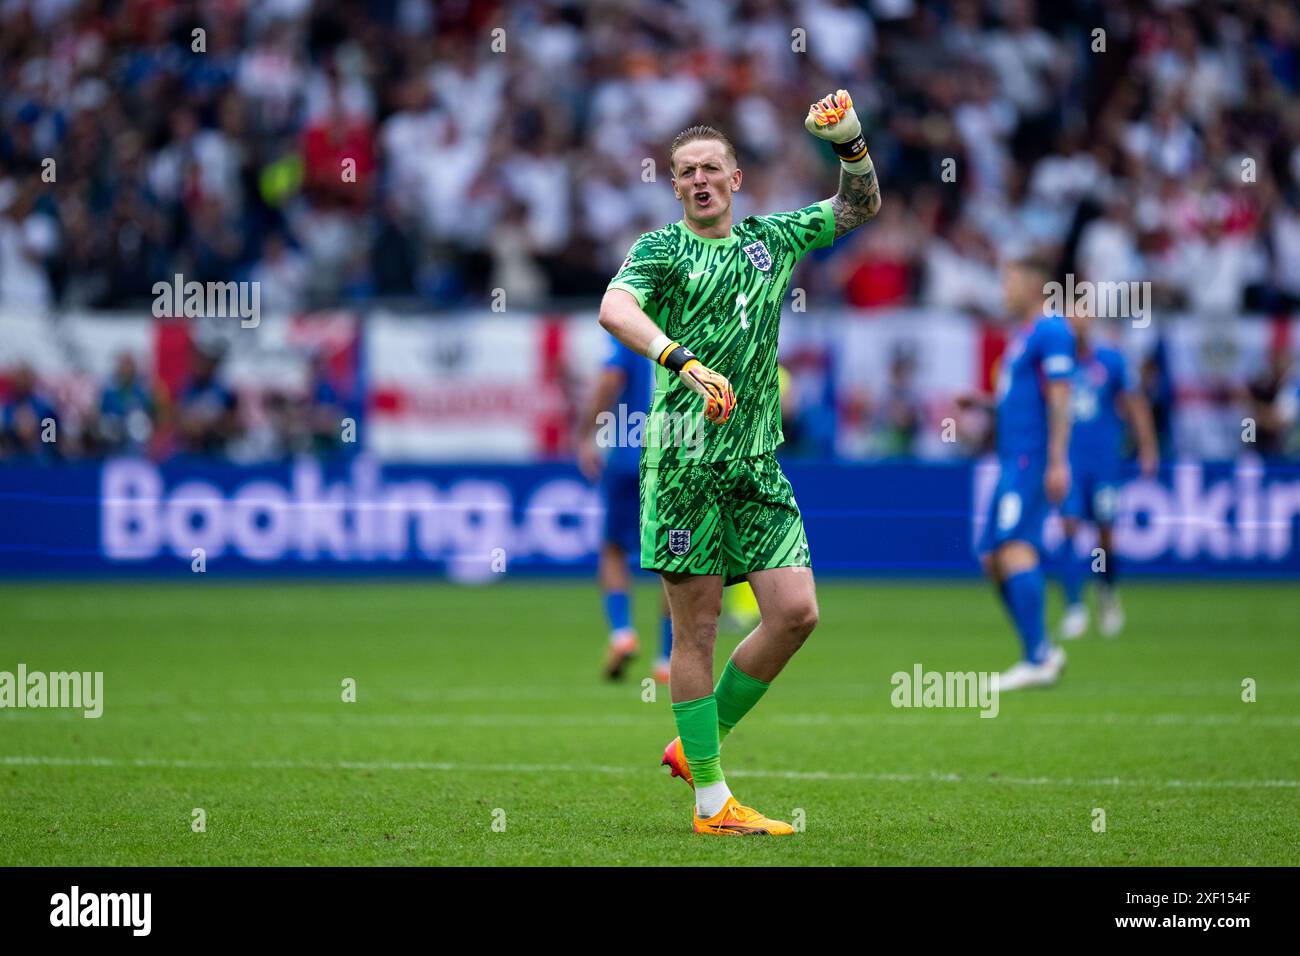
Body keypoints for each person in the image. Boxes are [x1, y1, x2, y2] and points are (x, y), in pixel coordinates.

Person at [597, 90, 881, 835]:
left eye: (711, 168)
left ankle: (700, 742)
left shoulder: (772, 239)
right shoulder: (659, 251)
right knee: (696, 633)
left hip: (757, 464)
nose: (699, 179)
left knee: (796, 612)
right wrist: (679, 358)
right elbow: (614, 309)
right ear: (674, 185)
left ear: (736, 177)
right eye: (685, 170)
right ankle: (711, 804)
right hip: (684, 466)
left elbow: (859, 208)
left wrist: (849, 143)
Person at [959, 256, 1073, 690]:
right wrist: (986, 404)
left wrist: (1059, 459)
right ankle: (1040, 647)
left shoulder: (1051, 330)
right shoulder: (1023, 336)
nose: (1003, 290)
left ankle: (1037, 656)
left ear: (1033, 285)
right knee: (991, 555)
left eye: (1008, 281)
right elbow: (1023, 400)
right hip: (1012, 458)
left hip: (1032, 459)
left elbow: (1062, 396)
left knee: (1013, 546)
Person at [1056, 305, 1159, 638]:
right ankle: (1074, 606)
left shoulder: (1111, 360)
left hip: (1104, 463)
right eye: (1071, 317)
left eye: (1082, 316)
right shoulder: (1056, 363)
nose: (1077, 323)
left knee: (1104, 532)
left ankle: (1107, 593)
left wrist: (1147, 447)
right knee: (1069, 527)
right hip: (1068, 461)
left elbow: (1135, 404)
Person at [578, 337, 675, 683]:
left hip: (628, 455)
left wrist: (587, 432)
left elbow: (610, 379)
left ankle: (622, 633)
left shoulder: (631, 330)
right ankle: (666, 659)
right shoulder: (687, 321)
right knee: (674, 559)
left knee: (614, 549)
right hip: (675, 458)